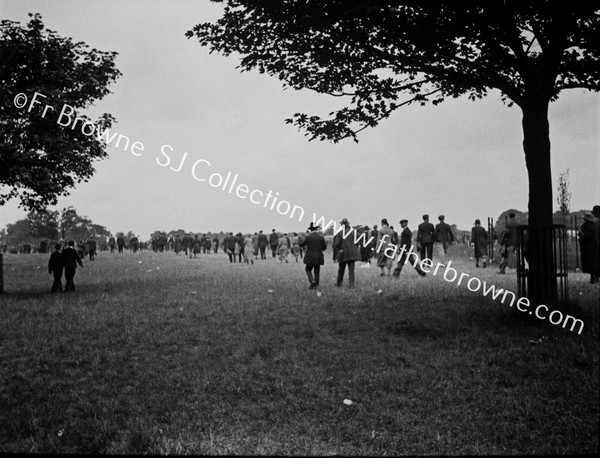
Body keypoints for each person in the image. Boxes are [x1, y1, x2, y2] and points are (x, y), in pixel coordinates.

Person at [333, 218, 360, 287]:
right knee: (351, 270)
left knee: (341, 270)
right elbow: (357, 242)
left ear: (342, 225)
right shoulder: (354, 232)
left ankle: (339, 283)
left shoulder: (340, 233)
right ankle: (351, 284)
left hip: (343, 253)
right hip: (352, 253)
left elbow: (337, 244)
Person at [300, 222, 327, 289]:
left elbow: (302, 244)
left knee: (308, 269)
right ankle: (316, 284)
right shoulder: (321, 237)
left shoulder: (308, 237)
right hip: (318, 256)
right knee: (317, 270)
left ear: (311, 229)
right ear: (317, 229)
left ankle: (312, 280)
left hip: (310, 256)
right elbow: (324, 247)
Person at [579, 212, 599, 284]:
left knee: (590, 262)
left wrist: (581, 236)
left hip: (589, 247)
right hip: (595, 246)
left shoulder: (586, 226)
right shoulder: (594, 226)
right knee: (595, 262)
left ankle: (593, 277)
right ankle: (596, 276)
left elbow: (587, 236)